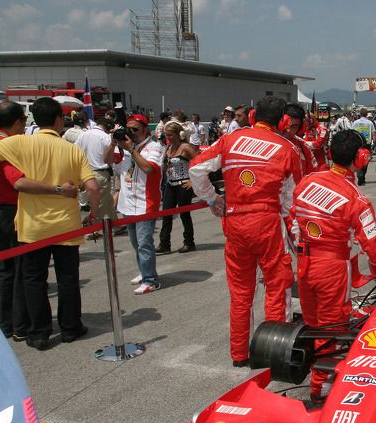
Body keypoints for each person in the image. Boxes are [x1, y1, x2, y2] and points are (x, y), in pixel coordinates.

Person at [293, 129, 376, 401]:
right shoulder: (357, 199)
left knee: (313, 324)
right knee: (331, 330)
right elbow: (375, 250)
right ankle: (321, 391)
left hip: (304, 265)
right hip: (331, 269)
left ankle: (317, 377)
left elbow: (293, 219)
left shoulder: (306, 182)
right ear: (361, 158)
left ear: (329, 153)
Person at [188, 96, 302, 367]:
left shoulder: (229, 140)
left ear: (252, 117)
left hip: (235, 222)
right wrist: (293, 232)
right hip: (268, 223)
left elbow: (195, 169)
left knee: (240, 292)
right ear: (284, 121)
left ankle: (239, 354)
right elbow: (291, 198)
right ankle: (274, 354)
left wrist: (213, 198)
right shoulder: (287, 149)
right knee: (277, 286)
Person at [0, 97, 100, 350]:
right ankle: (71, 327)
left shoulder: (19, 143)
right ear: (59, 120)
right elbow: (92, 187)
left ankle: (39, 333)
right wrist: (92, 214)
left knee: (33, 279)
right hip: (66, 225)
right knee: (68, 278)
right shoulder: (72, 149)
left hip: (33, 227)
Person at [0, 101, 30, 341]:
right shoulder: (8, 147)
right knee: (19, 268)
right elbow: (18, 180)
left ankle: (5, 323)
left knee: (5, 269)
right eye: (24, 121)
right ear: (16, 123)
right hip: (11, 210)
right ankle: (18, 324)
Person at [115, 113, 165, 294]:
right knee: (136, 243)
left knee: (144, 243)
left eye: (135, 129)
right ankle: (144, 272)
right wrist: (114, 142)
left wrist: (131, 150)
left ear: (145, 129)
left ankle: (151, 280)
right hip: (128, 203)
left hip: (145, 203)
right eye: (129, 129)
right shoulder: (127, 148)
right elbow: (107, 160)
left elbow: (148, 168)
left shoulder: (155, 147)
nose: (132, 133)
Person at [156, 122, 199, 254]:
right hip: (170, 184)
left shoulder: (185, 147)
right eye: (166, 135)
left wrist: (192, 181)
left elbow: (200, 162)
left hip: (183, 184)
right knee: (166, 214)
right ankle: (164, 244)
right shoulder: (169, 147)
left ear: (179, 134)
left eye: (170, 135)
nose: (168, 137)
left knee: (184, 214)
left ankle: (189, 242)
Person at [75, 117, 117, 220]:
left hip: (86, 173)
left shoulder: (83, 135)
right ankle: (93, 230)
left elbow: (75, 152)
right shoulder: (106, 137)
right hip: (100, 173)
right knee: (99, 204)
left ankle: (116, 224)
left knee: (107, 200)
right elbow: (110, 158)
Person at [280, 103, 318, 178]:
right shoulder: (269, 141)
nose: (288, 130)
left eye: (294, 126)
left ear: (300, 128)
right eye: (285, 124)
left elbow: (313, 174)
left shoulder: (304, 147)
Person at [351, 108, 376, 185]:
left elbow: (352, 132)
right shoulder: (370, 123)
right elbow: (373, 134)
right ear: (366, 114)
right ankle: (362, 175)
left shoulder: (355, 123)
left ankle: (360, 175)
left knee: (358, 159)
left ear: (360, 114)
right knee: (366, 160)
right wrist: (374, 143)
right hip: (367, 144)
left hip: (357, 144)